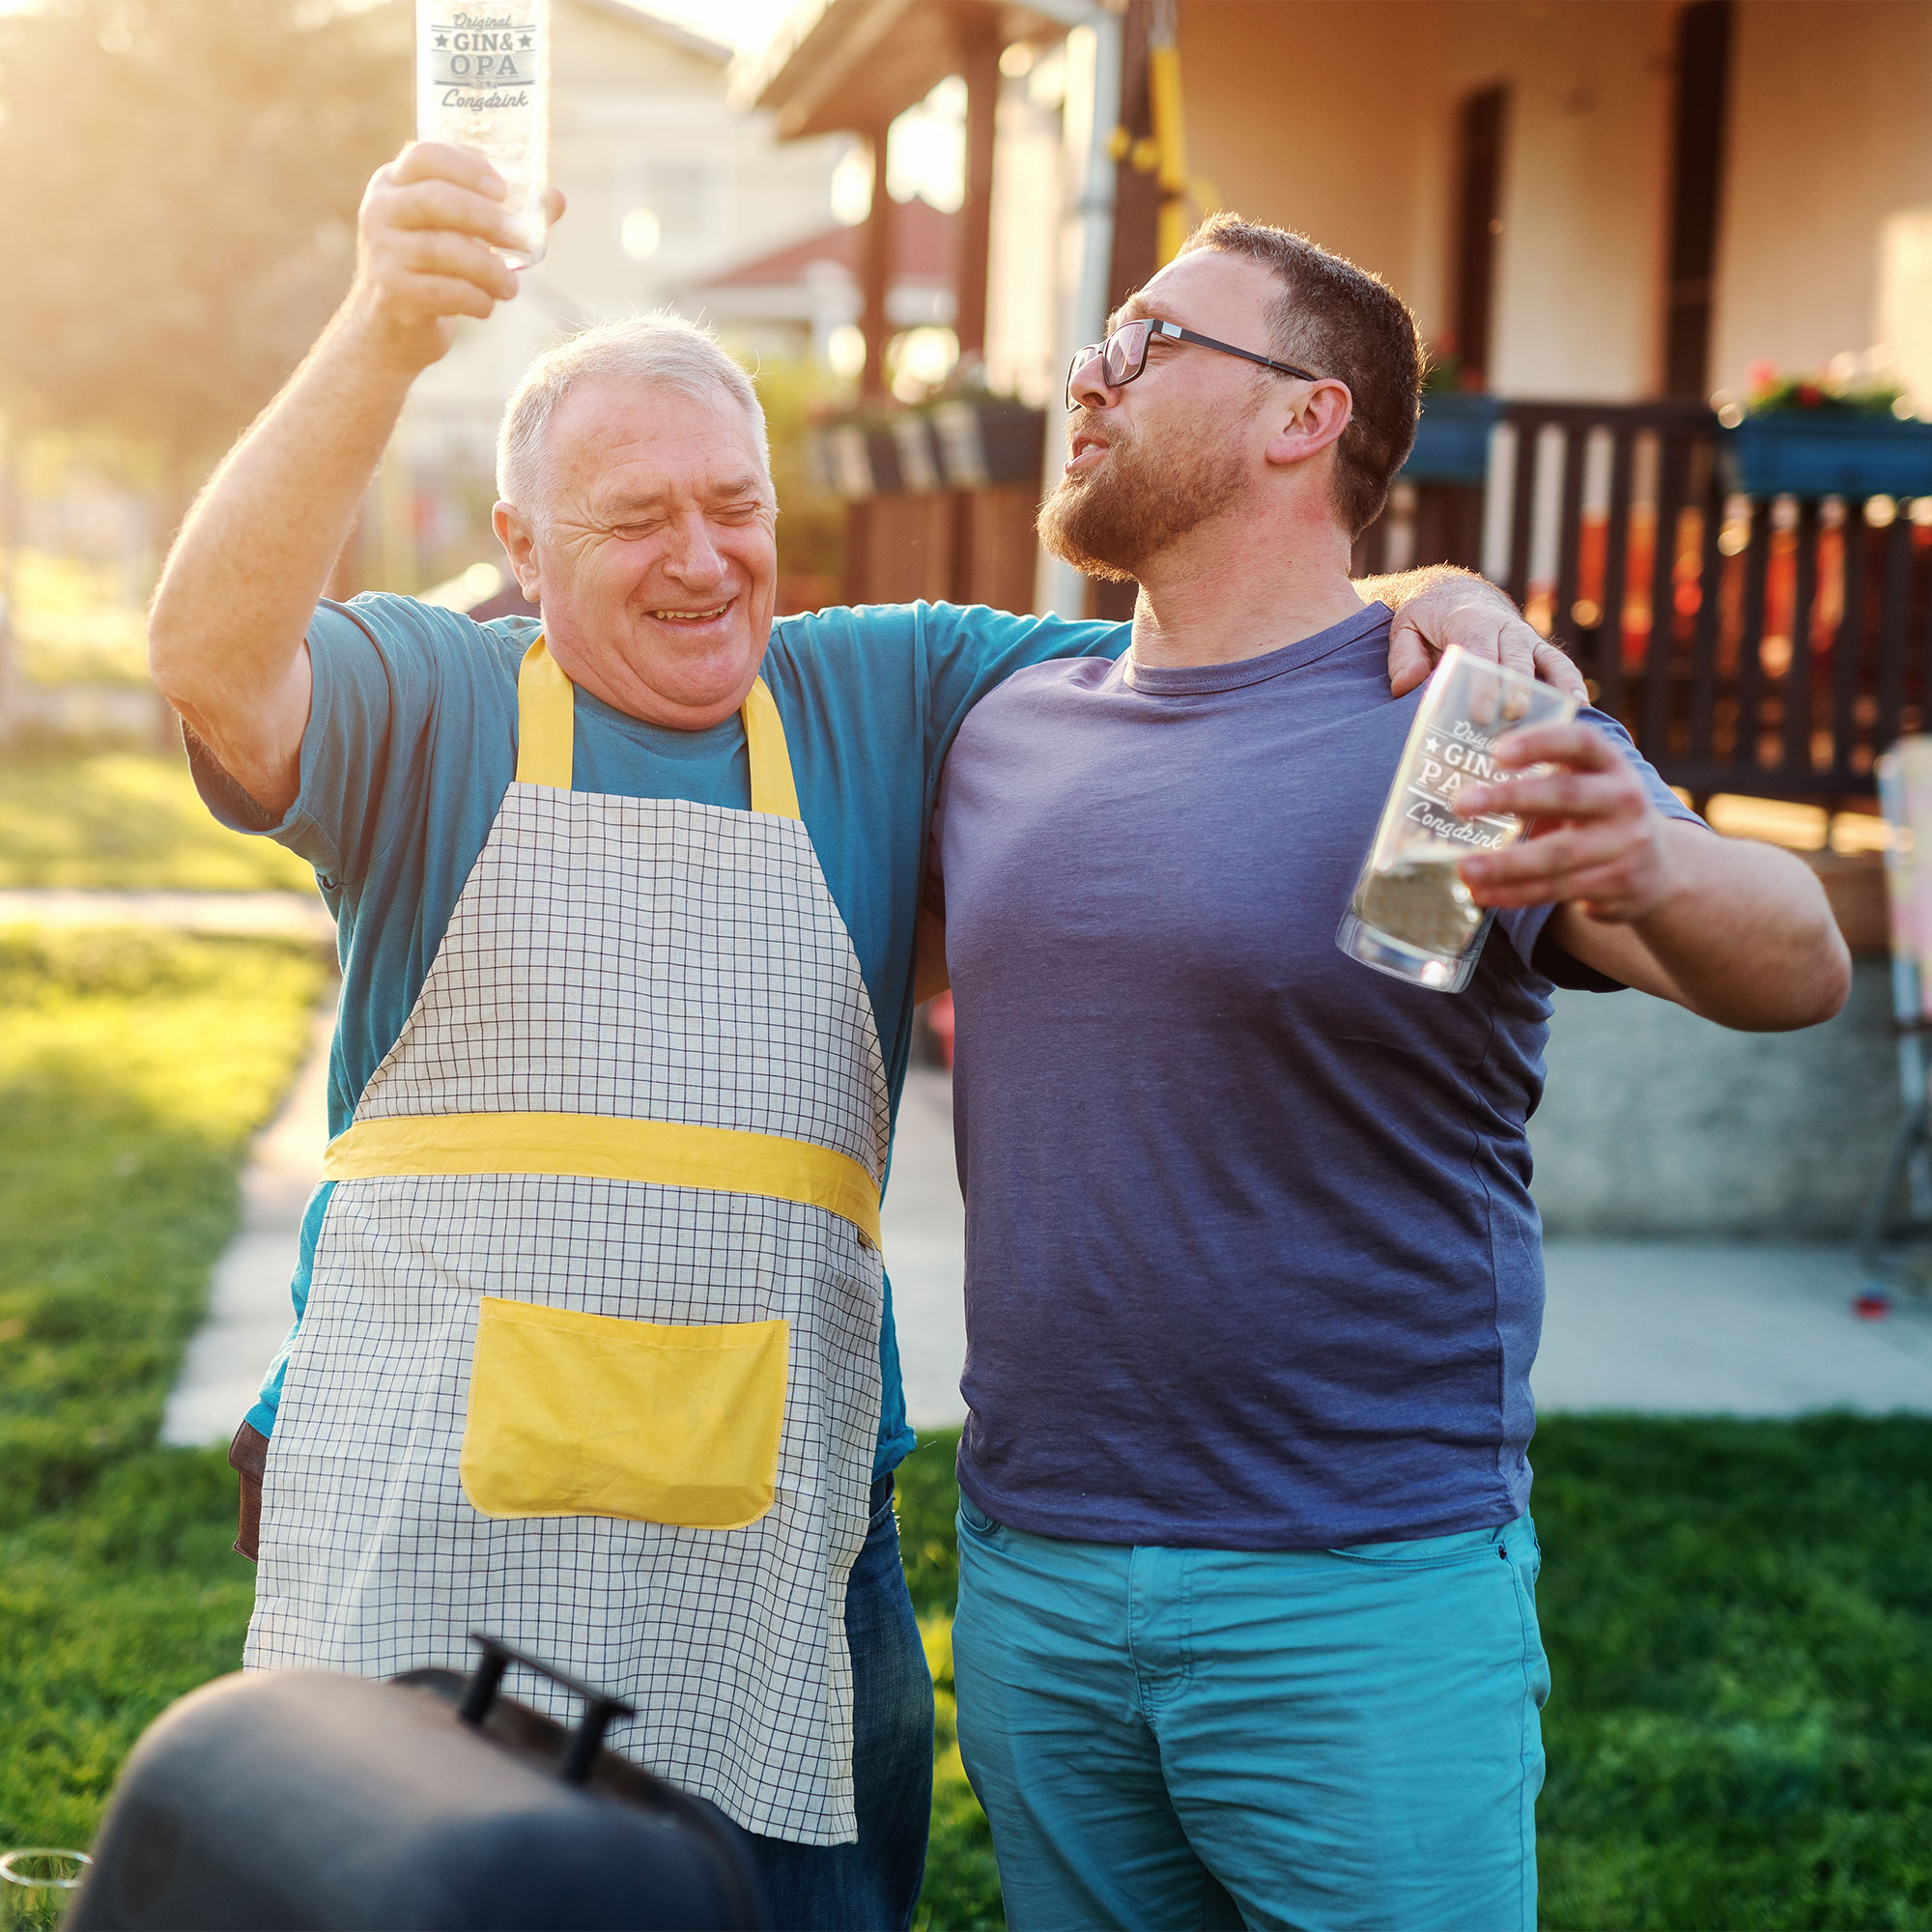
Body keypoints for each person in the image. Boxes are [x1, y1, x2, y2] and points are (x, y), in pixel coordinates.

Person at [147, 144, 1570, 1930]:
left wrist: (1425, 604)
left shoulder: (891, 687)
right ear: (517, 552)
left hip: (776, 1559)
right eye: (629, 519)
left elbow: (1219, 619)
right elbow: (210, 658)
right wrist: (383, 325)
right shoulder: (426, 704)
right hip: (428, 1539)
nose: (699, 561)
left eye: (733, 506)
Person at [925, 213, 1851, 1932]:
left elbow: (1801, 961)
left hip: (1357, 1593)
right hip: (1034, 1572)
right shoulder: (1006, 716)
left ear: (1303, 417)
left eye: (1149, 340)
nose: (1088, 370)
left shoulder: (1459, 725)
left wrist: (1647, 865)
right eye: (1102, 337)